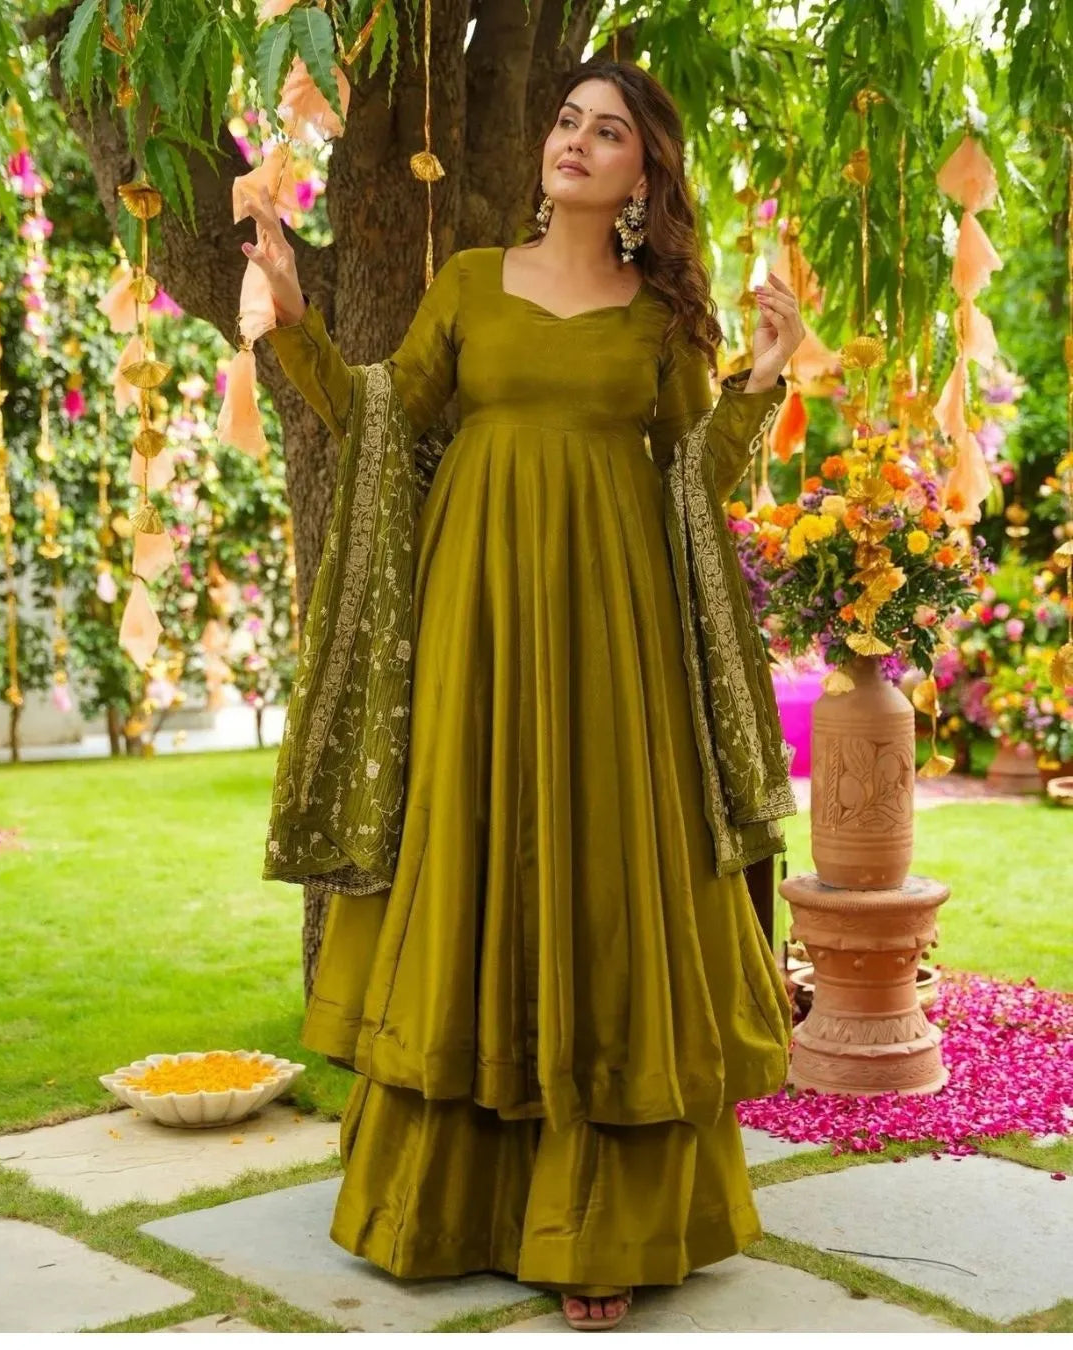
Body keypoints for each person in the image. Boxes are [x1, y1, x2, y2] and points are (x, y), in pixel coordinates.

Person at [242, 57, 804, 1333]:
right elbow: (380, 424)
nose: (574, 142)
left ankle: (594, 1224)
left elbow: (689, 482)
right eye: (565, 120)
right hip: (472, 639)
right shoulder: (468, 285)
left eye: (607, 133)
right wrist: (294, 313)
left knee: (605, 896)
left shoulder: (663, 326)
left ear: (644, 177)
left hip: (619, 653)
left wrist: (764, 375)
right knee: (474, 874)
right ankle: (442, 1208)